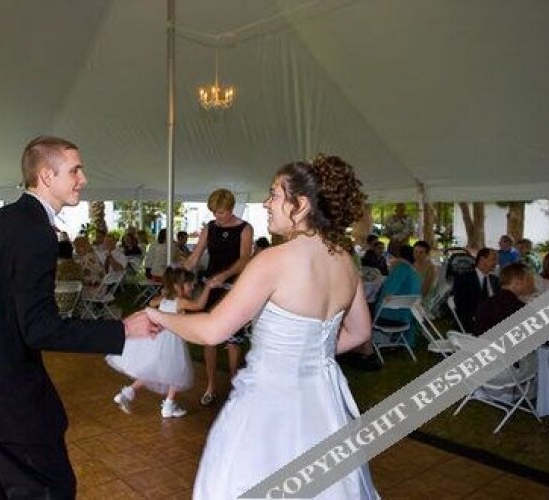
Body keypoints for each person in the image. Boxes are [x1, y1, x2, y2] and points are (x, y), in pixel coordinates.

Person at [0, 136, 156, 499]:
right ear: (47, 176)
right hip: (8, 402)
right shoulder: (36, 232)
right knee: (52, 489)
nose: (83, 179)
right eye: (75, 170)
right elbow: (39, 329)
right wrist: (122, 329)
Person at [146, 156, 378, 499]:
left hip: (270, 403)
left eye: (274, 194)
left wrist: (156, 316)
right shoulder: (345, 262)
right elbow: (360, 333)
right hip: (323, 402)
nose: (267, 203)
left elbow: (212, 331)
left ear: (300, 205)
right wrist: (309, 358)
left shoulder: (273, 260)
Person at [108, 267, 214, 418]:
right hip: (172, 343)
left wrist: (162, 296)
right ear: (178, 286)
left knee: (154, 371)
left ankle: (126, 393)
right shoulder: (179, 302)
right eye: (189, 284)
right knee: (177, 371)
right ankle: (168, 405)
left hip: (158, 341)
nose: (192, 287)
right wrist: (208, 287)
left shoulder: (164, 300)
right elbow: (199, 305)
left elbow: (152, 303)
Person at [183, 188, 253, 406]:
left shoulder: (245, 228)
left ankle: (234, 386)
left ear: (231, 209)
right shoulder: (210, 228)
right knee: (209, 338)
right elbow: (195, 257)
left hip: (233, 288)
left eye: (221, 212)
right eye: (214, 212)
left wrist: (224, 275)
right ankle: (211, 386)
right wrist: (179, 274)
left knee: (233, 341)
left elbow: (244, 259)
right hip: (211, 288)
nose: (217, 216)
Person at [373, 245, 422, 347]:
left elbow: (387, 294)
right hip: (407, 319)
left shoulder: (400, 269)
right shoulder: (413, 272)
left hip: (389, 318)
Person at [474, 263, 534, 336]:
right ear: (517, 282)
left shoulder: (485, 303)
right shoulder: (520, 308)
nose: (532, 284)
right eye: (529, 280)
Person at [452, 247, 499, 333]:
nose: (496, 263)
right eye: (493, 259)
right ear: (482, 259)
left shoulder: (495, 280)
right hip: (472, 323)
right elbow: (461, 305)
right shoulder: (463, 279)